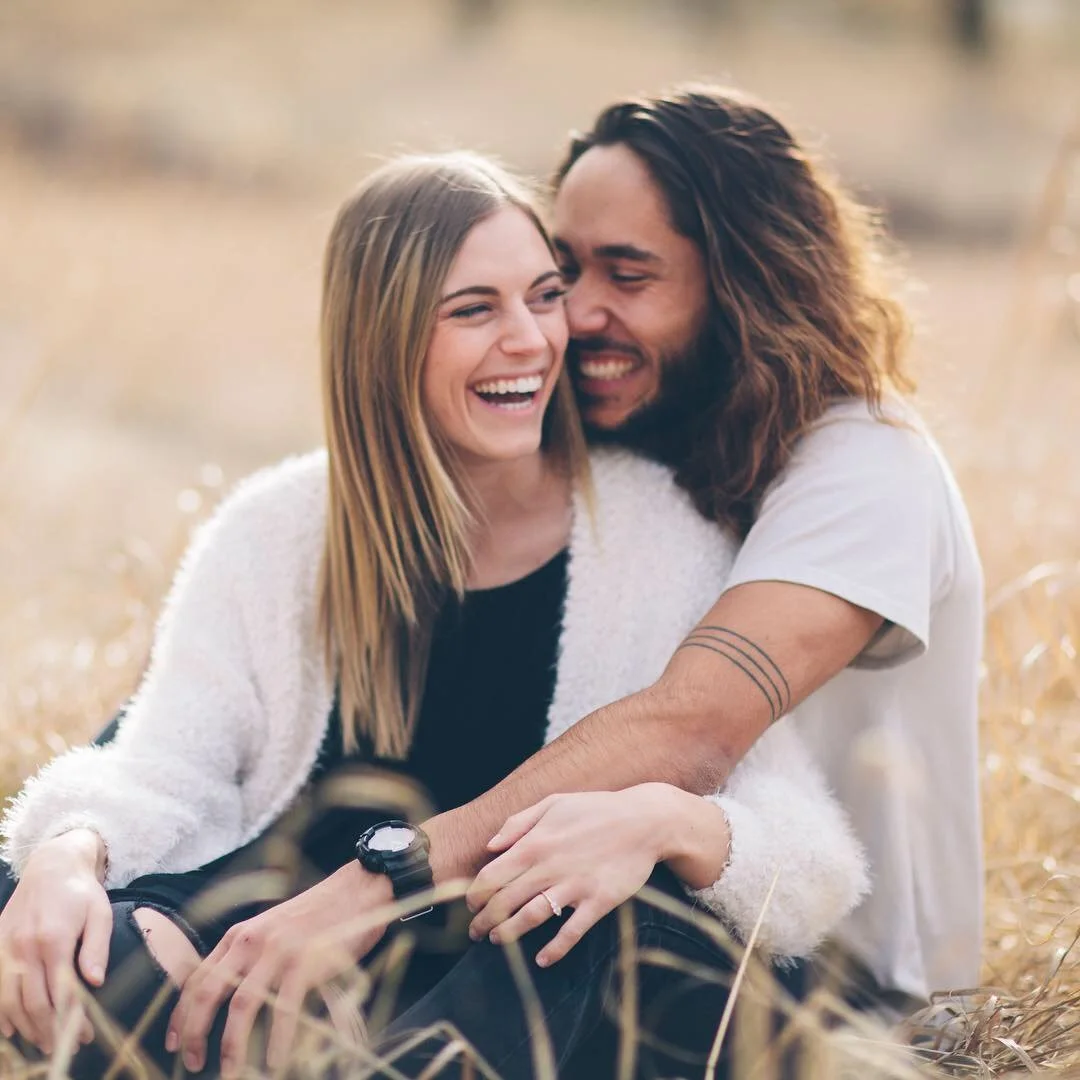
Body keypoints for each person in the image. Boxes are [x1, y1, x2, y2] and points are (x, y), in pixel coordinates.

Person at [0, 152, 869, 1078]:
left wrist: (670, 820)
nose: (532, 340)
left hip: (506, 987)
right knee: (50, 925)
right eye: (474, 309)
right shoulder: (277, 530)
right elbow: (164, 761)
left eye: (544, 296)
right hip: (275, 944)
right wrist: (66, 852)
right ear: (384, 337)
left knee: (595, 939)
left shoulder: (662, 535)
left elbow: (811, 860)